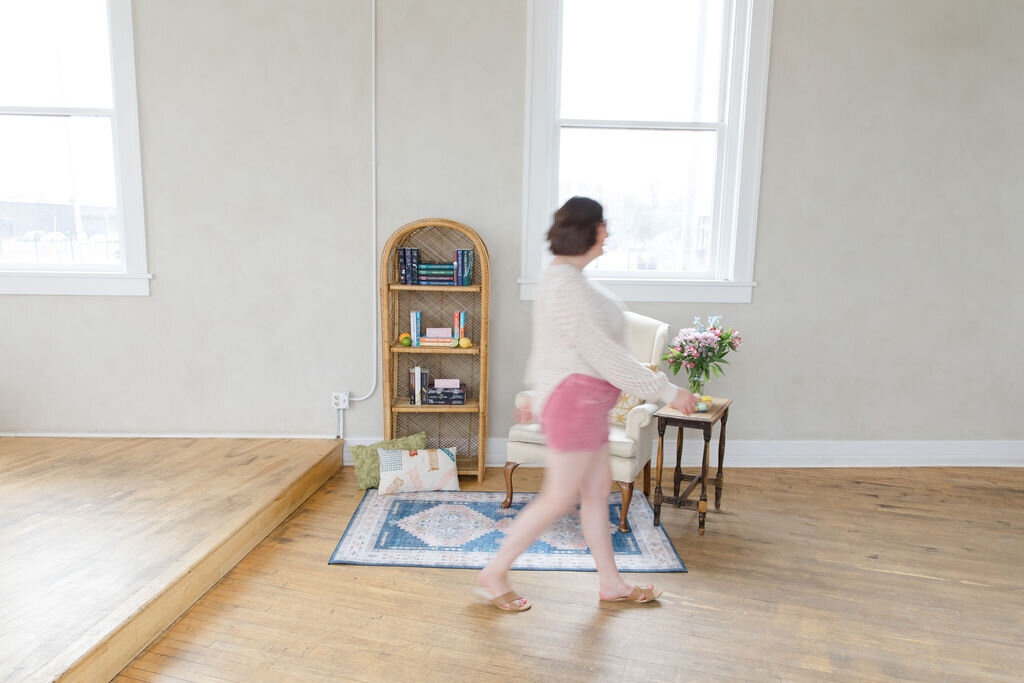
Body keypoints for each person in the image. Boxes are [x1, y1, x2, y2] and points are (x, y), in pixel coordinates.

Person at [477, 196, 698, 612]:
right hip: (575, 403)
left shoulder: (565, 279)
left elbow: (550, 347)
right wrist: (669, 392)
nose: (608, 234)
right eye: (603, 226)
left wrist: (537, 392)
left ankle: (611, 584)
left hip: (584, 402)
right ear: (588, 230)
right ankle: (495, 572)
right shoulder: (566, 286)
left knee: (597, 490)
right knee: (559, 498)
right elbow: (606, 356)